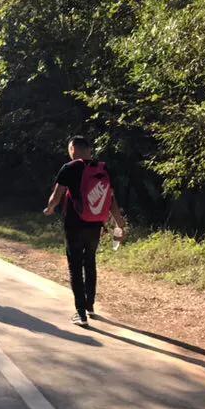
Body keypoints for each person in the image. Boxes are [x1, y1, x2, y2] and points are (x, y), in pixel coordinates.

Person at [43, 136, 127, 327]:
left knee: (75, 265)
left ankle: (80, 313)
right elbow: (111, 200)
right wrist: (120, 223)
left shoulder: (70, 167)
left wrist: (49, 209)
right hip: (95, 224)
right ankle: (90, 306)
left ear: (73, 149)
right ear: (89, 149)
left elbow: (57, 195)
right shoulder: (104, 169)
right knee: (89, 261)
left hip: (74, 224)